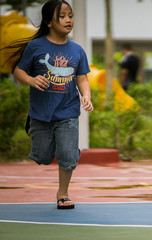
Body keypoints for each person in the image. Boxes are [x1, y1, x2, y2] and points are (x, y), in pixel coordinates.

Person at [9, 0, 93, 209]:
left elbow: (82, 78)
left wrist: (87, 96)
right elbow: (19, 71)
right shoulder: (36, 47)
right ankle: (34, 129)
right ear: (49, 22)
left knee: (67, 155)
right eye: (62, 16)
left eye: (70, 16)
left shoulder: (77, 50)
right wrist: (31, 80)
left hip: (68, 112)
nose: (68, 20)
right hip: (41, 113)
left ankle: (62, 193)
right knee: (44, 157)